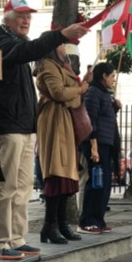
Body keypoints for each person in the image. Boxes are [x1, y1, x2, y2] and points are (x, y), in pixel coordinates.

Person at [0, 0, 88, 257]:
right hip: (7, 123)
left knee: (22, 187)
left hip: (23, 125)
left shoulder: (19, 44)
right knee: (6, 186)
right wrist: (60, 35)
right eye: (20, 15)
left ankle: (17, 239)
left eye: (29, 16)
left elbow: (27, 52)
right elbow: (25, 53)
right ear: (7, 17)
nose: (26, 20)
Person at [35, 36, 88, 243]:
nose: (64, 48)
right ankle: (51, 225)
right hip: (54, 120)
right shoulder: (48, 66)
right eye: (60, 44)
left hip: (64, 120)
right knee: (57, 173)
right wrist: (79, 90)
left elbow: (69, 96)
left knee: (66, 174)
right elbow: (58, 93)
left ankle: (60, 223)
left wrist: (73, 93)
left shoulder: (60, 66)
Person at [79, 62, 119, 233]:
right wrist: (93, 146)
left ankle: (99, 218)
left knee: (104, 184)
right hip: (97, 143)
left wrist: (114, 108)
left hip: (107, 142)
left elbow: (105, 117)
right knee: (96, 182)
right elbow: (91, 120)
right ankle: (87, 220)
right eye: (112, 76)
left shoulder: (104, 94)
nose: (114, 80)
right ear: (103, 76)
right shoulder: (93, 92)